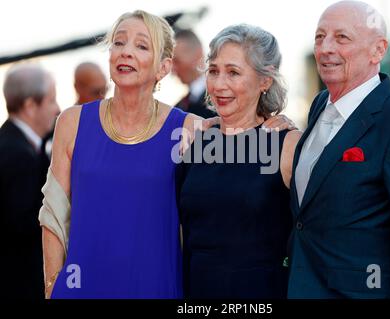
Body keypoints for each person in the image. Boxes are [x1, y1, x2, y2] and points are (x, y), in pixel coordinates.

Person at [39, 10, 293, 299]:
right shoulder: (72, 122)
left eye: (141, 46)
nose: (126, 53)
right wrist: (52, 286)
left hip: (157, 286)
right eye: (119, 43)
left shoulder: (188, 129)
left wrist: (281, 125)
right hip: (81, 288)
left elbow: (244, 139)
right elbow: (54, 215)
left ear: (163, 67)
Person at [289, 1, 390, 298]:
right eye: (320, 37)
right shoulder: (320, 105)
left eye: (342, 37)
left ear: (378, 50)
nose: (325, 48)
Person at [179, 24, 302, 299]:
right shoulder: (194, 140)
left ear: (265, 80)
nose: (219, 84)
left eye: (233, 72)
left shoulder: (287, 144)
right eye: (213, 71)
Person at [0, 64, 60, 299]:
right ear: (29, 106)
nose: (57, 109)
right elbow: (27, 226)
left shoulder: (17, 146)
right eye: (51, 100)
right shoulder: (17, 156)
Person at [173, 29, 216, 118]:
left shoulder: (221, 97)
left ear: (198, 54)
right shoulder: (178, 108)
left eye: (176, 61)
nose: (172, 69)